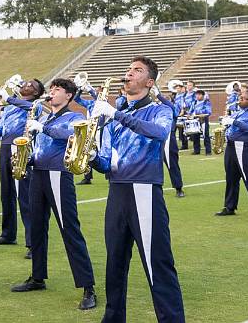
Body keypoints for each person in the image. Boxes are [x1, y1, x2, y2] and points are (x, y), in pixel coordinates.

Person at [90, 56, 184, 322]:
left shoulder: (158, 110)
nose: (129, 74)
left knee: (158, 266)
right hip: (117, 192)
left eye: (137, 70)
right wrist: (92, 158)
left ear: (149, 82)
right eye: (129, 69)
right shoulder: (116, 116)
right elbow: (108, 163)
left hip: (144, 191)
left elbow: (159, 133)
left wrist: (116, 113)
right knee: (115, 264)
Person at [10, 78, 96, 311]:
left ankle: (88, 286)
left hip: (59, 175)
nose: (52, 92)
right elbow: (39, 142)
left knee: (70, 229)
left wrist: (43, 128)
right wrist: (25, 156)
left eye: (57, 89)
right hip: (38, 174)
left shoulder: (74, 117)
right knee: (37, 228)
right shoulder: (44, 116)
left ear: (68, 95)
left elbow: (69, 134)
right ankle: (37, 277)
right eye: (52, 89)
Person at [0, 78, 44, 257]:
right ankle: (8, 233)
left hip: (21, 149)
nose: (25, 85)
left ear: (36, 92)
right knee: (7, 194)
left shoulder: (37, 104)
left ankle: (32, 243)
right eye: (25, 83)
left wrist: (9, 98)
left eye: (31, 85)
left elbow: (32, 110)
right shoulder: (11, 108)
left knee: (24, 197)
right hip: (5, 148)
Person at [215, 86, 248, 216]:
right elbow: (232, 123)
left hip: (244, 146)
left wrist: (234, 122)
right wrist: (225, 123)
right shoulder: (239, 111)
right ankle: (230, 207)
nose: (239, 100)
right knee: (231, 177)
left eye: (243, 98)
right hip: (231, 146)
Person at [156, 87, 185, 197]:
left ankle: (178, 187)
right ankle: (156, 187)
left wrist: (159, 96)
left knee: (172, 163)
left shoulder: (172, 108)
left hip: (168, 138)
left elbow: (171, 107)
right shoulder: (156, 109)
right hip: (156, 137)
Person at [74, 84, 98, 185]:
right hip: (90, 130)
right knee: (87, 152)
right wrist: (80, 89)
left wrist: (90, 90)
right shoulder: (90, 104)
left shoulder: (102, 103)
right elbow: (76, 99)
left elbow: (98, 98)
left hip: (102, 130)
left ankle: (111, 177)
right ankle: (87, 177)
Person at [189, 89, 212, 155]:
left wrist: (201, 114)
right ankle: (196, 150)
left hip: (204, 120)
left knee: (206, 136)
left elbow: (209, 112)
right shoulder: (194, 102)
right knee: (195, 136)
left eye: (199, 94)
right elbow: (190, 111)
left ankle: (208, 151)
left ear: (203, 95)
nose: (197, 96)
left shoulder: (206, 102)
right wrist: (189, 115)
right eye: (197, 94)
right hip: (196, 120)